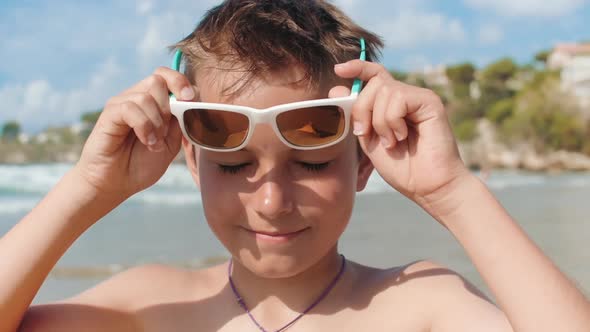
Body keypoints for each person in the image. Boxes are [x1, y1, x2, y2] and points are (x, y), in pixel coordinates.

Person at [2, 1, 589, 331]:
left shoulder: (419, 307)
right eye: (233, 167)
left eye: (310, 163)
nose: (272, 201)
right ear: (191, 157)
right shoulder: (148, 308)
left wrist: (454, 193)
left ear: (363, 162)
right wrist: (87, 188)